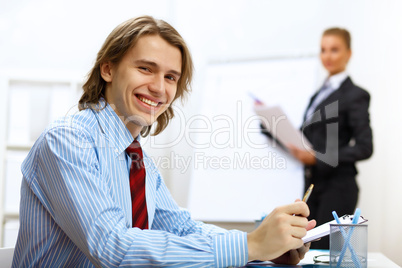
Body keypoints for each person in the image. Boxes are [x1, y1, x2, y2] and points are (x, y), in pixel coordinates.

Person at [12, 16, 316, 267]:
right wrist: (251, 245)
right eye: (146, 68)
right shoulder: (66, 141)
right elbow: (113, 247)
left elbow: (184, 230)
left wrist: (264, 248)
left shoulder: (136, 159)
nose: (159, 88)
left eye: (171, 77)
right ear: (108, 69)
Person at [261, 27, 373, 249]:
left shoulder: (355, 95)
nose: (327, 56)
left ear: (348, 54)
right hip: (314, 187)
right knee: (308, 252)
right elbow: (304, 137)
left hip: (338, 188)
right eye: (323, 50)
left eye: (334, 50)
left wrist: (318, 158)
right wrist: (269, 123)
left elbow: (365, 147)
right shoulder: (318, 94)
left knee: (326, 254)